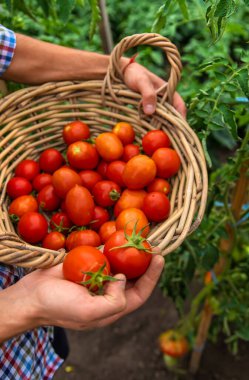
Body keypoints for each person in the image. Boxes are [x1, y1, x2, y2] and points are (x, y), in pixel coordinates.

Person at [0, 24, 186, 379]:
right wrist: (26, 307)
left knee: (52, 345)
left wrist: (118, 68)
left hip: (27, 317)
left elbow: (6, 51)